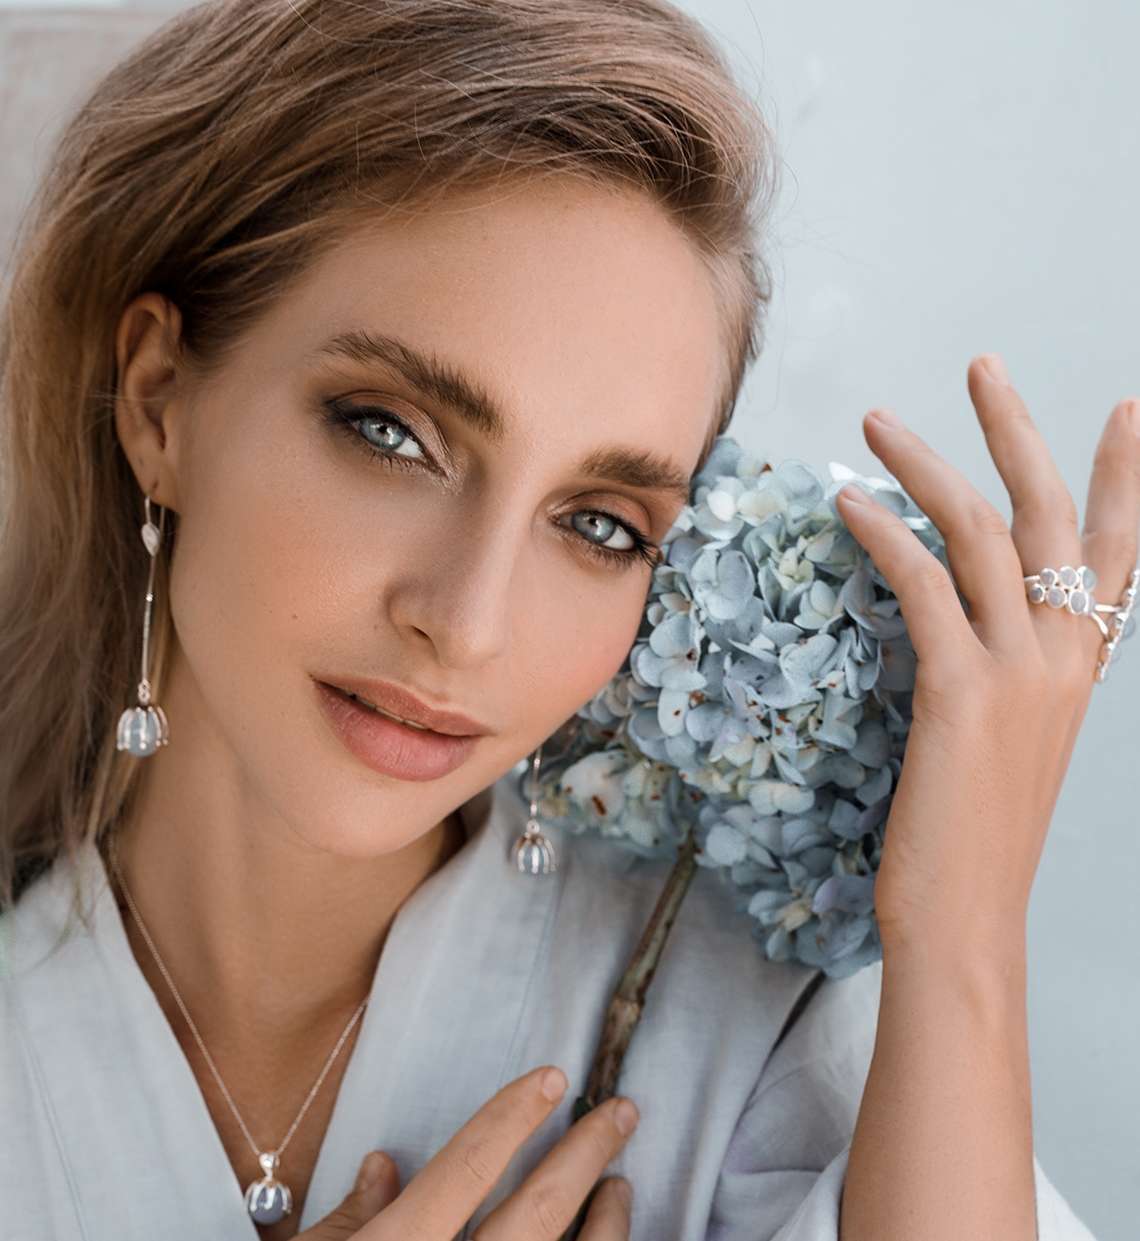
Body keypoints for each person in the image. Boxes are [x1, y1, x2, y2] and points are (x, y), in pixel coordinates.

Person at [0, 1, 1128, 1238]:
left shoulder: (759, 1033)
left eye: (599, 523)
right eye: (393, 433)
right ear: (161, 401)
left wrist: (964, 937)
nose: (470, 624)